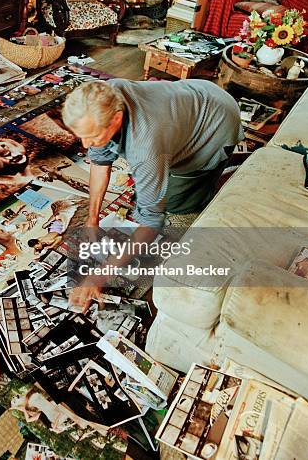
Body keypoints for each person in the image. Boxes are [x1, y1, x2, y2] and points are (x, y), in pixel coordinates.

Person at [62, 79, 243, 310]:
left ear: (116, 120)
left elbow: (151, 223)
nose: (86, 144)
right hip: (192, 97)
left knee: (179, 204)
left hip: (216, 121)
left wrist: (98, 277)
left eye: (92, 137)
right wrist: (92, 219)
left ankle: (204, 183)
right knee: (150, 185)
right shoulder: (101, 95)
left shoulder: (146, 150)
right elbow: (99, 160)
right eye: (81, 136)